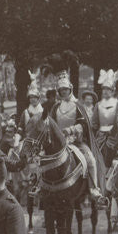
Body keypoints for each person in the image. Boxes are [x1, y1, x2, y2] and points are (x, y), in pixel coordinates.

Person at [48, 71, 104, 201]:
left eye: (65, 90)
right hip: (58, 143)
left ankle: (94, 188)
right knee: (43, 158)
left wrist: (71, 130)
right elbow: (50, 123)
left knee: (90, 159)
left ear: (70, 89)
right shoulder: (56, 106)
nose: (63, 92)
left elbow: (84, 125)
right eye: (61, 90)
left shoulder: (78, 105)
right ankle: (40, 185)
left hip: (75, 141)